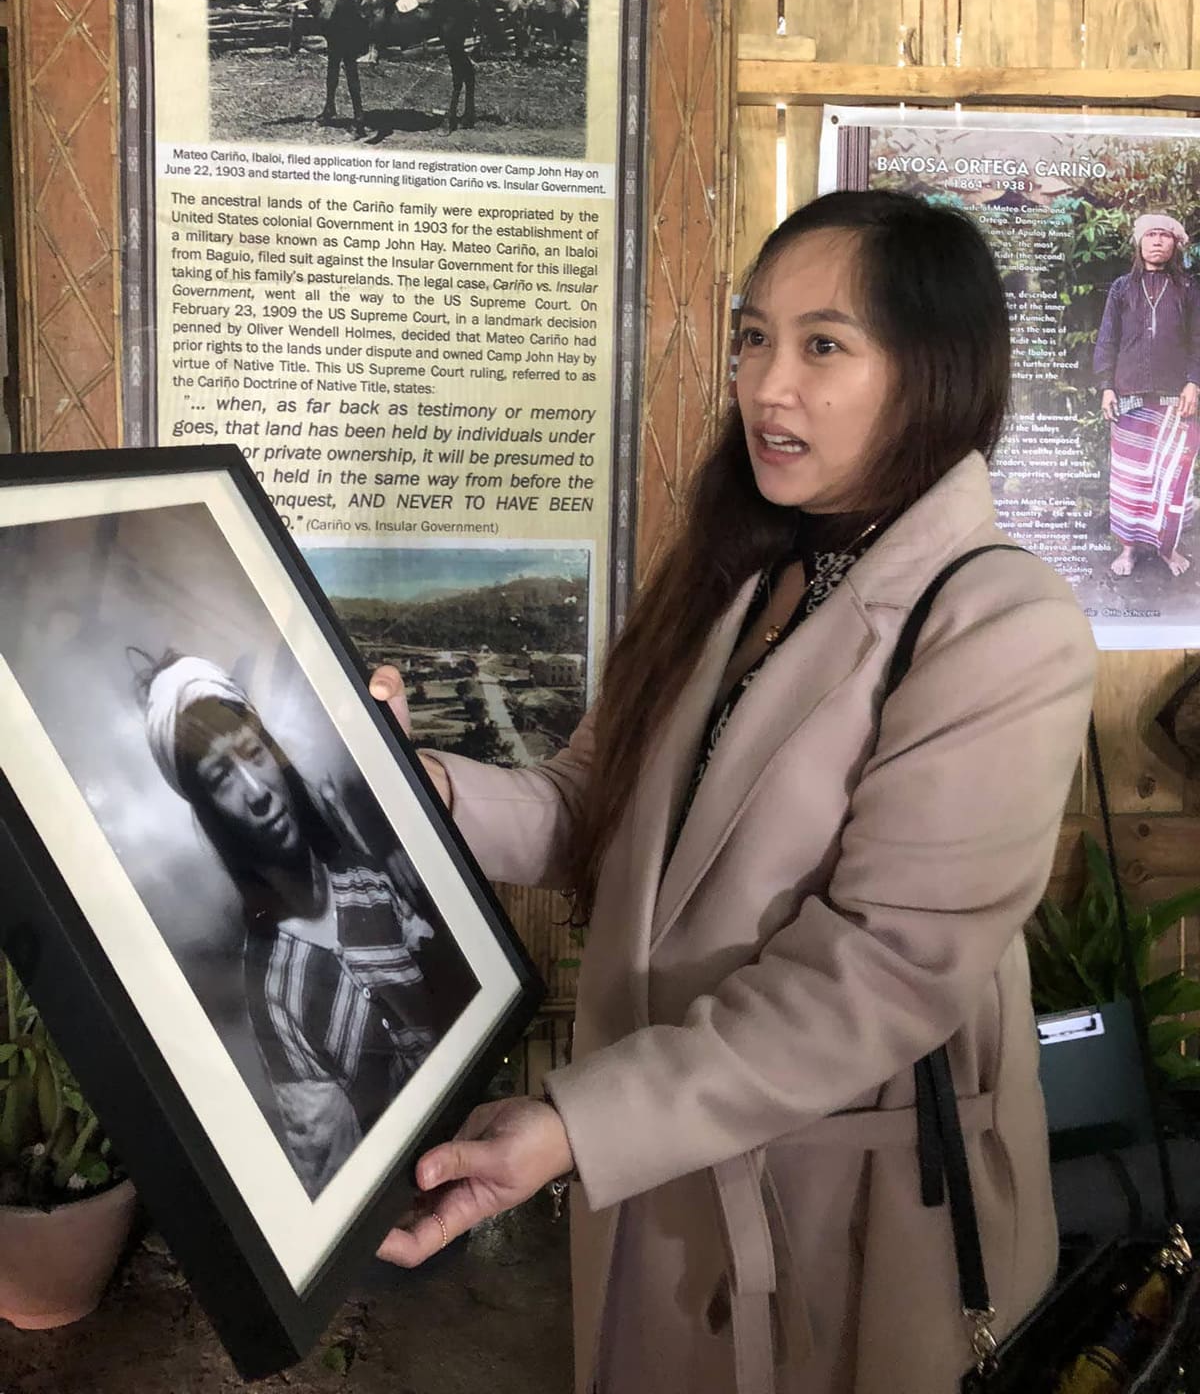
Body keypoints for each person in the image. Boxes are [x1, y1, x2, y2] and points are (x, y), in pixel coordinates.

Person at [369, 190, 1097, 1394]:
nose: (768, 386)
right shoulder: (737, 570)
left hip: (842, 1211)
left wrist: (572, 1126)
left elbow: (880, 973)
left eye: (824, 345)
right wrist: (412, 785)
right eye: (754, 338)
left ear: (935, 372)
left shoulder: (1003, 622)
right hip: (655, 1168)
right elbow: (582, 810)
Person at [140, 653, 443, 1196]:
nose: (254, 793)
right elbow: (333, 1167)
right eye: (220, 778)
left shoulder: (370, 879)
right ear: (208, 810)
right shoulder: (273, 991)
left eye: (253, 754)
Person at [1094, 211, 1200, 578]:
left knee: (1170, 475)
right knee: (1131, 476)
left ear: (1175, 244)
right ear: (1139, 243)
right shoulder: (1122, 288)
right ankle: (1129, 549)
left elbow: (1197, 340)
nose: (1157, 241)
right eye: (1150, 235)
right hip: (1129, 397)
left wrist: (1194, 382)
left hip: (1176, 399)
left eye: (1165, 235)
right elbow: (1107, 339)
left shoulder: (1188, 288)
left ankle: (1168, 547)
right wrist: (1106, 386)